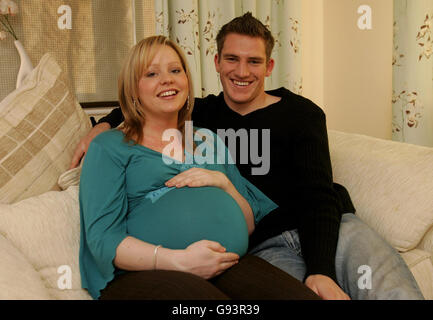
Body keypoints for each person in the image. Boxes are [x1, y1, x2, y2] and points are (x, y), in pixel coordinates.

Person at [74, 14, 424, 300]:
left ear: (269, 66)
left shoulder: (301, 115)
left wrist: (321, 270)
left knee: (389, 289)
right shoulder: (203, 113)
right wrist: (100, 125)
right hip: (263, 246)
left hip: (327, 226)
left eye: (253, 61)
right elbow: (153, 100)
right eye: (232, 59)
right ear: (216, 62)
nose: (242, 72)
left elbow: (317, 195)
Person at [79, 35, 320, 300]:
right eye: (151, 73)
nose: (167, 79)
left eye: (175, 70)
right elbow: (102, 240)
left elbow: (249, 223)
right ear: (133, 88)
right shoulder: (110, 146)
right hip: (147, 272)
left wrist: (222, 182)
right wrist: (178, 260)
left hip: (228, 263)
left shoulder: (206, 139)